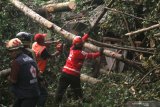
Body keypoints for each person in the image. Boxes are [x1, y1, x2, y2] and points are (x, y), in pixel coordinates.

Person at [55, 33, 103, 105]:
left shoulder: (72, 49)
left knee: (60, 90)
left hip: (65, 73)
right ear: (80, 45)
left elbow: (81, 41)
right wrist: (100, 53)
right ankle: (81, 102)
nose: (82, 44)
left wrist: (86, 36)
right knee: (77, 91)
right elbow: (91, 56)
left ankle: (56, 103)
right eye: (81, 44)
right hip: (73, 75)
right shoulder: (80, 53)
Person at [6, 38, 40, 107]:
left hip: (27, 95)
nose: (9, 54)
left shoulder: (16, 62)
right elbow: (37, 73)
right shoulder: (29, 58)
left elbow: (13, 81)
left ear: (15, 51)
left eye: (10, 51)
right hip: (32, 93)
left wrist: (7, 77)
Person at [32, 33, 62, 107]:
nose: (45, 40)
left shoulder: (35, 44)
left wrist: (55, 42)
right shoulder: (43, 51)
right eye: (44, 38)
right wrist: (59, 51)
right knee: (44, 93)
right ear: (42, 41)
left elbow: (44, 43)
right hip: (39, 72)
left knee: (37, 90)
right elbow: (51, 56)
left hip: (33, 69)